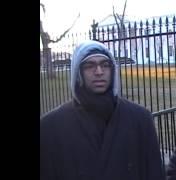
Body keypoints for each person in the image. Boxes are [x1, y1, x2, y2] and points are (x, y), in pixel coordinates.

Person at [40, 40, 165, 180]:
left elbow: (154, 172)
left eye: (105, 65)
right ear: (78, 73)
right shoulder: (51, 126)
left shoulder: (140, 119)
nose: (99, 72)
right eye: (89, 66)